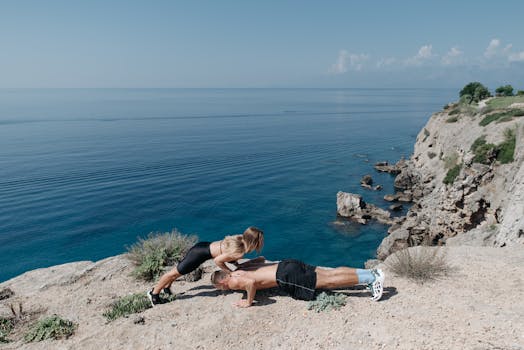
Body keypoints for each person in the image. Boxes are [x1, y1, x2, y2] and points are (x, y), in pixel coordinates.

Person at [148, 226, 264, 306]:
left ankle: (167, 288)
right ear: (253, 242)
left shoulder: (239, 238)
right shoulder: (239, 252)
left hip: (204, 246)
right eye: (259, 241)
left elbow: (227, 254)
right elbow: (218, 261)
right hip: (199, 255)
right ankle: (154, 294)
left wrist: (235, 263)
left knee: (178, 271)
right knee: (173, 273)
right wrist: (229, 272)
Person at [211, 258, 385, 307]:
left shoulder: (233, 281)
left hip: (287, 276)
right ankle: (370, 273)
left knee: (329, 282)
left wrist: (248, 302)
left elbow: (249, 284)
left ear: (223, 281)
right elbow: (261, 259)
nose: (222, 290)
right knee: (330, 273)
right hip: (286, 263)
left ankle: (372, 279)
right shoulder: (237, 270)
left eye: (219, 287)